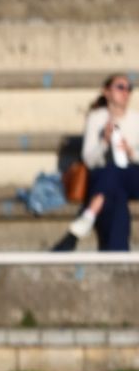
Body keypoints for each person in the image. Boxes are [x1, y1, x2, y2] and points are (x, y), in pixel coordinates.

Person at [51, 74, 139, 251]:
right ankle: (117, 255)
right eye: (120, 87)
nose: (126, 92)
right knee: (116, 199)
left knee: (112, 173)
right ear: (106, 92)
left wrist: (130, 152)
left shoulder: (136, 119)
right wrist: (104, 142)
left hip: (132, 175)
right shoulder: (96, 118)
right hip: (107, 180)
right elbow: (90, 160)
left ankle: (87, 217)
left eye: (128, 88)